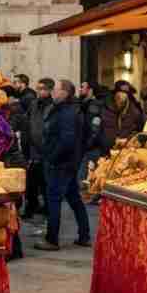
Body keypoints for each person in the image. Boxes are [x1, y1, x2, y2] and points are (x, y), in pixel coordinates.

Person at [35, 79, 92, 251]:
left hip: (61, 163)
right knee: (74, 198)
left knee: (53, 200)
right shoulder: (64, 109)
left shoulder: (67, 112)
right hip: (67, 162)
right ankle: (84, 235)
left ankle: (52, 239)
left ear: (65, 93)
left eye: (56, 89)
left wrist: (52, 157)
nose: (53, 92)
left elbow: (66, 141)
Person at [25, 78, 54, 223]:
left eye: (42, 88)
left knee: (45, 184)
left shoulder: (53, 106)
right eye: (38, 88)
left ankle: (48, 210)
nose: (39, 91)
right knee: (31, 183)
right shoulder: (34, 104)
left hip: (47, 150)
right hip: (33, 150)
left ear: (49, 90)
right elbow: (28, 120)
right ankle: (30, 208)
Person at [76, 81, 106, 194]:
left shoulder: (94, 106)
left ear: (90, 90)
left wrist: (87, 144)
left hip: (91, 148)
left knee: (84, 177)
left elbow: (95, 129)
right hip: (84, 146)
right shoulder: (83, 104)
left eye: (82, 87)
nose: (80, 89)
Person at [101, 80, 147, 149]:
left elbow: (140, 132)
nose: (122, 95)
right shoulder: (104, 109)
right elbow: (99, 133)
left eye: (125, 93)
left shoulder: (135, 112)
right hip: (106, 150)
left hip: (126, 151)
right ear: (114, 93)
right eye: (120, 92)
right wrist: (113, 141)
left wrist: (129, 140)